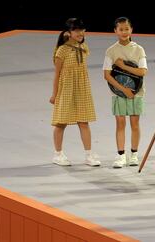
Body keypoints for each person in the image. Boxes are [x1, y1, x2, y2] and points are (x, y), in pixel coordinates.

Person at [50, 18, 100, 167]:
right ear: (68, 32)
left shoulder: (84, 46)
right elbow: (57, 74)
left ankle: (89, 155)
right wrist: (54, 94)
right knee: (61, 123)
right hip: (66, 89)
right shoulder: (62, 51)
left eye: (82, 30)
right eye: (77, 30)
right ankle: (58, 154)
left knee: (84, 121)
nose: (81, 33)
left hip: (82, 89)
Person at [103, 17, 147, 168]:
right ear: (115, 31)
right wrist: (124, 90)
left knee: (135, 123)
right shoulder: (111, 50)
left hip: (137, 93)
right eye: (120, 29)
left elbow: (142, 71)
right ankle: (121, 155)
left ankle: (134, 154)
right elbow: (107, 75)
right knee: (120, 123)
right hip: (118, 94)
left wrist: (123, 66)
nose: (124, 32)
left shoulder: (139, 49)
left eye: (126, 29)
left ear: (131, 30)